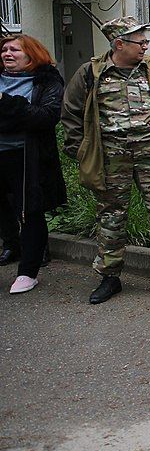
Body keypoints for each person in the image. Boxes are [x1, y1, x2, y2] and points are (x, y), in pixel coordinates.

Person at [61, 17, 150, 305]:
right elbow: (70, 114)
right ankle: (110, 277)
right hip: (111, 157)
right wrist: (81, 151)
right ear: (119, 44)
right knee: (110, 214)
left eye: (146, 41)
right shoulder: (91, 73)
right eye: (141, 42)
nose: (146, 46)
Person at [0, 35, 67, 294]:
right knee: (3, 208)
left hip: (27, 158)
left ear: (31, 55)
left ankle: (28, 271)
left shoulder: (46, 80)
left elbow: (45, 117)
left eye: (14, 49)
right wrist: (16, 115)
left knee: (29, 211)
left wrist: (6, 103)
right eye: (4, 49)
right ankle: (11, 245)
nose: (7, 53)